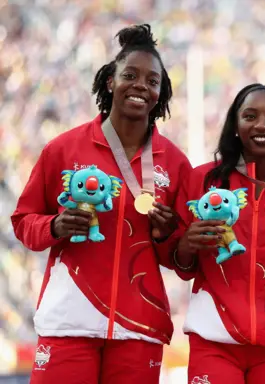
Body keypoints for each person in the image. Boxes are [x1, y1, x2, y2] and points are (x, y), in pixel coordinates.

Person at [11, 24, 191, 383]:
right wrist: (55, 226)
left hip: (138, 326)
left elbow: (183, 263)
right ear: (110, 80)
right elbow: (23, 222)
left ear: (160, 92)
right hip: (69, 321)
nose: (141, 85)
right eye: (130, 75)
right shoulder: (64, 148)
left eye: (152, 81)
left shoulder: (174, 162)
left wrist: (167, 235)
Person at [172, 83, 265, 384]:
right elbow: (182, 267)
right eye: (250, 116)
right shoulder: (202, 180)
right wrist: (188, 243)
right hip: (214, 336)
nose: (261, 125)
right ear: (235, 125)